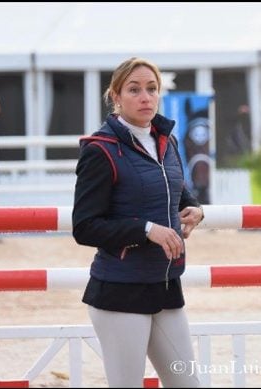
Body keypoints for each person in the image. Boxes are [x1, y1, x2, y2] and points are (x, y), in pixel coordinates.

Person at [72, 57, 203, 388]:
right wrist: (146, 230)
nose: (145, 97)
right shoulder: (100, 150)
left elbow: (176, 191)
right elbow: (85, 226)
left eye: (152, 88)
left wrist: (195, 210)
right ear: (116, 96)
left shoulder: (167, 141)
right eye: (134, 89)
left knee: (189, 384)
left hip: (166, 285)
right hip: (119, 291)